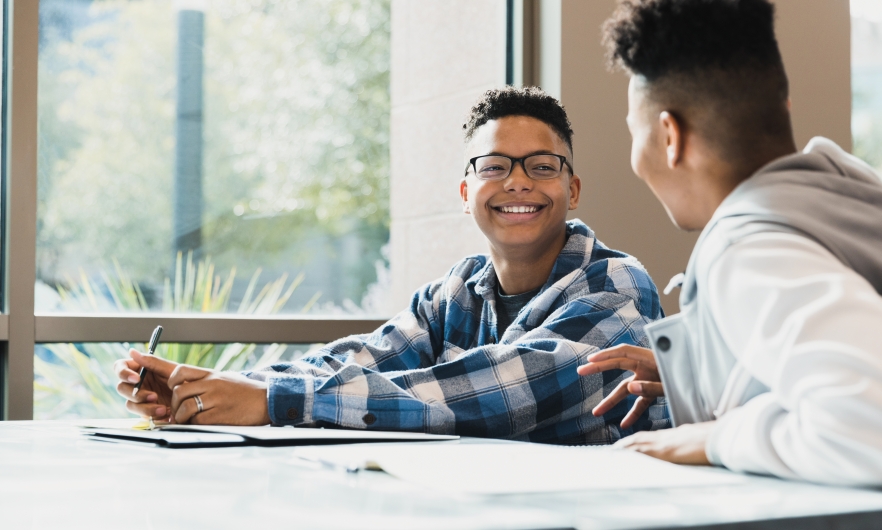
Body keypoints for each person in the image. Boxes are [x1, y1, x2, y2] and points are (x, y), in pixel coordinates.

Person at [115, 86, 669, 444]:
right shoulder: (453, 293)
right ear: (465, 191)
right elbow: (359, 358)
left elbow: (496, 392)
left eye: (541, 166)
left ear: (572, 190)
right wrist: (219, 388)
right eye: (494, 165)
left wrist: (269, 400)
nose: (517, 181)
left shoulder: (615, 284)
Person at [577, 0, 882, 484]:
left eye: (636, 134)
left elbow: (870, 425)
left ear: (670, 136)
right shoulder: (850, 190)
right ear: (781, 106)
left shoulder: (746, 249)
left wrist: (717, 438)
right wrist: (700, 370)